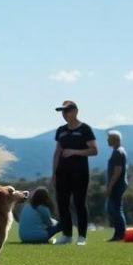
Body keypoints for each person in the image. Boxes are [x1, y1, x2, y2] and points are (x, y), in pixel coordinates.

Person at [50, 100, 98, 246]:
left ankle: (82, 236)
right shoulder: (61, 130)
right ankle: (67, 235)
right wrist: (54, 173)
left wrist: (74, 152)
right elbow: (57, 152)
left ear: (75, 111)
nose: (64, 114)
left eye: (67, 111)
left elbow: (94, 150)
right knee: (62, 203)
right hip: (62, 173)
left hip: (80, 173)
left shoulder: (85, 129)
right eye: (63, 112)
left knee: (79, 203)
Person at [105, 130, 129, 241]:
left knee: (116, 209)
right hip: (118, 185)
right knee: (113, 209)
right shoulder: (118, 151)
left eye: (109, 138)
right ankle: (118, 234)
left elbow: (118, 171)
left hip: (117, 185)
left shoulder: (118, 152)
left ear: (114, 139)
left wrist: (110, 186)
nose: (107, 140)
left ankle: (120, 235)